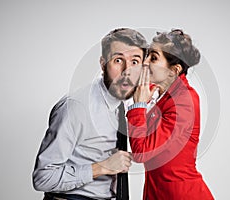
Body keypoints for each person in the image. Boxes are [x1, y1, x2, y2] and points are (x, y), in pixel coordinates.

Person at [32, 28, 147, 200]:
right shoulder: (76, 107)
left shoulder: (122, 105)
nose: (127, 71)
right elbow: (43, 178)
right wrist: (102, 168)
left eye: (135, 62)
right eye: (118, 60)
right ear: (103, 64)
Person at [126, 29, 214, 199]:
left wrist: (138, 106)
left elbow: (140, 151)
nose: (145, 62)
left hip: (181, 194)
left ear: (174, 70)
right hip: (158, 193)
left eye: (153, 57)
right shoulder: (162, 95)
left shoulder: (184, 101)